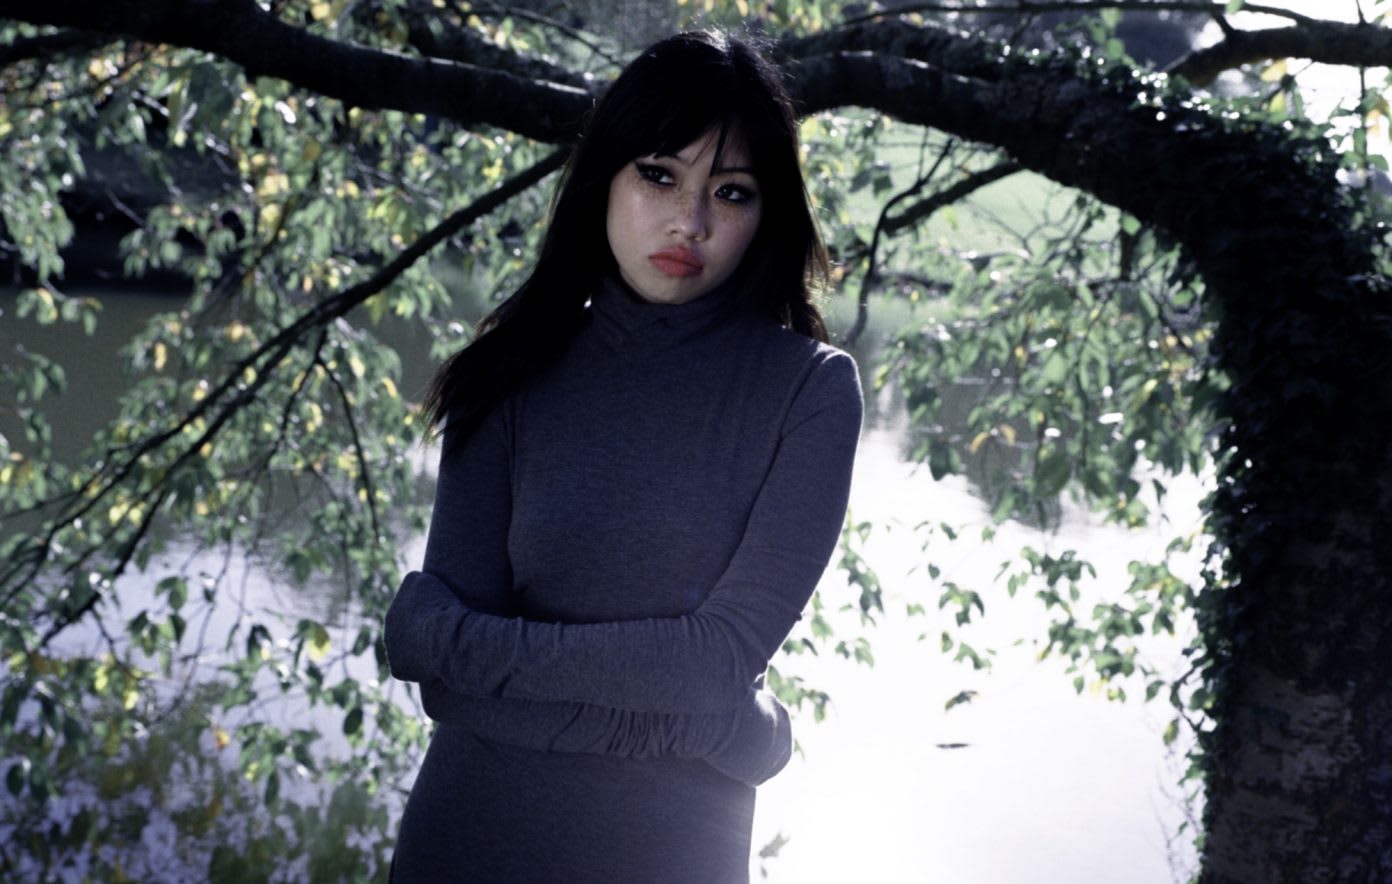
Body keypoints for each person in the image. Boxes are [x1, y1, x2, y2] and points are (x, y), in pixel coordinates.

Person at [384, 30, 863, 882]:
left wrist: (457, 643)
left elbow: (712, 667)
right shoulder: (507, 370)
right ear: (604, 175)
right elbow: (445, 691)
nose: (690, 221)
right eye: (658, 175)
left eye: (731, 191)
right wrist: (732, 731)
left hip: (669, 856)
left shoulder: (811, 393)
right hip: (467, 842)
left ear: (766, 213)